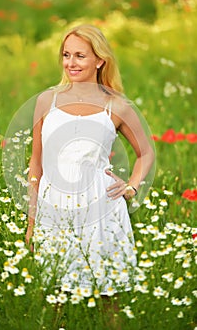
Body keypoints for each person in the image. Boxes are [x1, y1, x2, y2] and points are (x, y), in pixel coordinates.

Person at [25, 24, 155, 295]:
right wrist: (32, 222)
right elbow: (36, 164)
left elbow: (146, 153)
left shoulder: (117, 105)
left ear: (99, 60)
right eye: (66, 54)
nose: (70, 63)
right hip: (55, 205)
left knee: (109, 296)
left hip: (102, 206)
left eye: (80, 56)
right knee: (54, 297)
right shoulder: (46, 101)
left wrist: (131, 187)